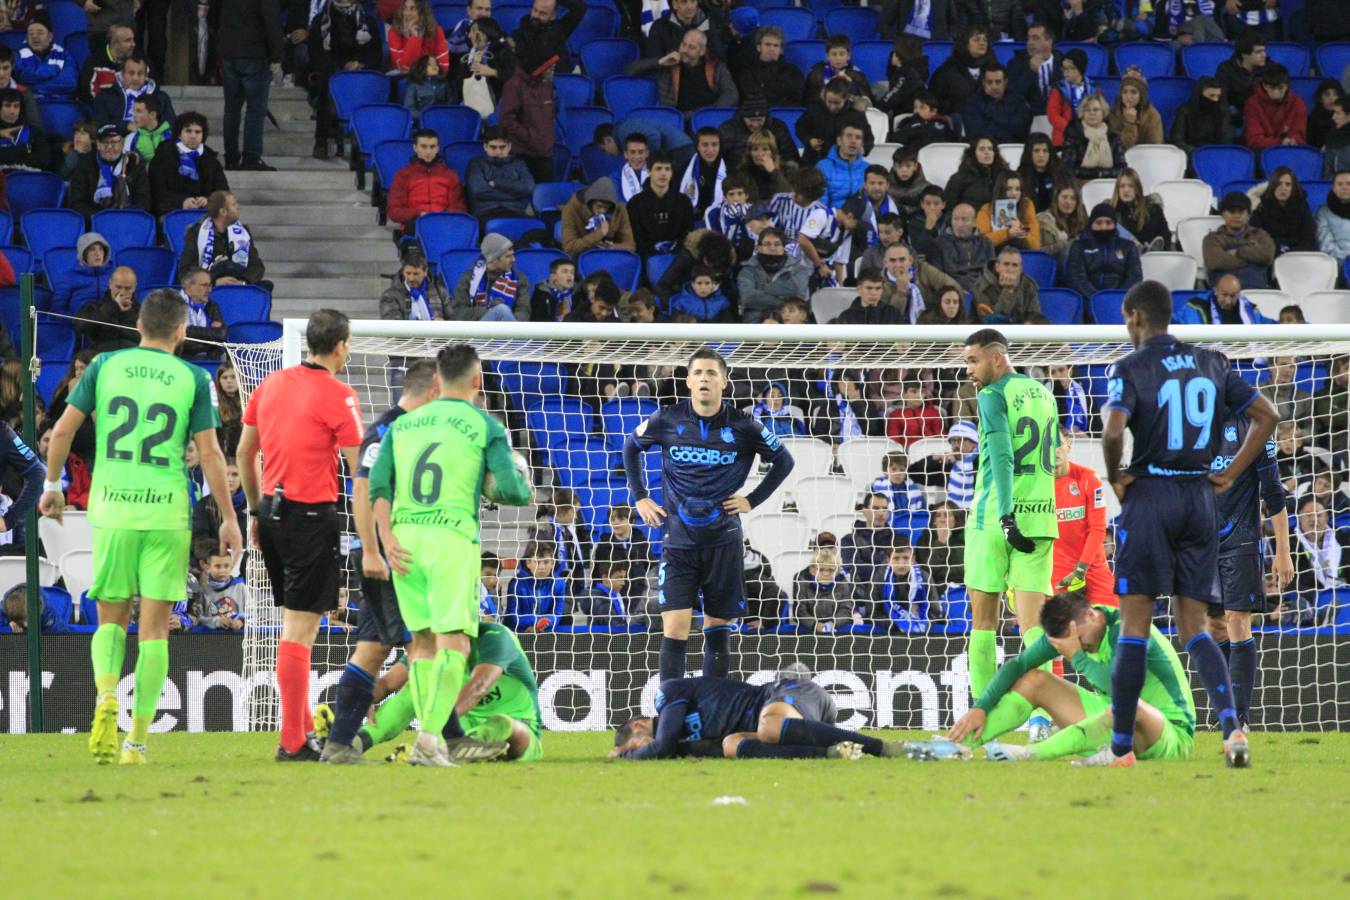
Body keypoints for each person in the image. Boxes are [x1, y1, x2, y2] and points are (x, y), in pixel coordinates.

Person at [40, 289, 240, 765]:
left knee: (110, 619)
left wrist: (52, 485)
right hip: (166, 512)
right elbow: (210, 453)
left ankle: (107, 694)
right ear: (181, 331)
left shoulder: (105, 365)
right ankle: (136, 742)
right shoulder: (194, 377)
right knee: (154, 632)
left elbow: (63, 429)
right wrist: (229, 516)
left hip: (114, 509)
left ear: (138, 326)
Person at [1101, 280, 1281, 767]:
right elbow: (1267, 416)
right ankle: (1232, 729)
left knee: (1134, 625)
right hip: (1201, 499)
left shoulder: (1131, 366)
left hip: (1152, 494)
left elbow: (1114, 429)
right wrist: (1231, 472)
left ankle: (1121, 749)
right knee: (1195, 625)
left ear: (1135, 316)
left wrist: (1116, 475)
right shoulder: (1212, 362)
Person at [366, 343, 532, 765]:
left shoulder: (403, 424)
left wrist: (385, 537)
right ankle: (430, 740)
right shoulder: (486, 425)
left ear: (436, 380)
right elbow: (512, 490)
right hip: (450, 539)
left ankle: (429, 739)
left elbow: (378, 484)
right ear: (478, 380)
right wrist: (505, 486)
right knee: (454, 644)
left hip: (403, 541)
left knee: (421, 644)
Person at [236, 310, 365, 761]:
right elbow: (360, 469)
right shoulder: (339, 394)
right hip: (310, 517)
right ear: (341, 346)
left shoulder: (271, 384)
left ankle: (302, 729)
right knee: (300, 630)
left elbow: (244, 452)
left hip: (272, 515)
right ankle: (292, 742)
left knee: (295, 624)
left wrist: (256, 509)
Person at [623, 346, 795, 684]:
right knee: (675, 626)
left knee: (717, 627)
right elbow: (631, 446)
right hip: (678, 543)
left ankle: (712, 703)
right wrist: (640, 497)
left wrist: (752, 500)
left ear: (724, 382)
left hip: (723, 542)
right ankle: (670, 705)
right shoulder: (667, 419)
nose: (704, 378)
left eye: (712, 373)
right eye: (698, 373)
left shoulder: (744, 425)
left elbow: (784, 460)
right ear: (688, 381)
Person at [318, 360, 454, 763]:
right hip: (389, 555)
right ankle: (444, 741)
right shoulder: (387, 430)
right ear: (433, 390)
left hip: (390, 552)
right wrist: (373, 550)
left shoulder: (406, 429)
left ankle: (338, 744)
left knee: (373, 648)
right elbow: (362, 489)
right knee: (422, 645)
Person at [938, 592, 1196, 764]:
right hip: (1112, 723)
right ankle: (956, 746)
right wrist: (981, 707)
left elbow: (1120, 688)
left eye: (1079, 637)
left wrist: (1076, 656)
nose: (1078, 644)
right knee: (1035, 680)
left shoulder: (1130, 630)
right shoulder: (1068, 632)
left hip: (1168, 735)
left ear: (1092, 614)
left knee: (1128, 706)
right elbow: (1017, 665)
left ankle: (1030, 753)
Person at [960, 328, 1060, 720]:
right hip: (1041, 518)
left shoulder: (991, 395)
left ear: (996, 358)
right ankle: (1041, 718)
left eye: (973, 361)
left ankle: (981, 719)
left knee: (984, 621)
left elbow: (1002, 456)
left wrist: (1005, 516)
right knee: (1034, 626)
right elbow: (1055, 458)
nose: (969, 370)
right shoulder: (1045, 394)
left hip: (994, 519)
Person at [1204, 401, 1294, 729]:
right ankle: (1227, 709)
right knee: (1213, 626)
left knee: (1237, 620)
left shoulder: (1254, 425)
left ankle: (1237, 717)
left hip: (1239, 541)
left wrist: (1282, 551)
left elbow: (1273, 493)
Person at [357, 618, 545, 762]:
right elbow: (388, 683)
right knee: (416, 685)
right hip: (461, 726)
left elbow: (479, 686)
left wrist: (436, 727)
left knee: (503, 724)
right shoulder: (435, 645)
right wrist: (357, 703)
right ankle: (358, 740)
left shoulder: (496, 637)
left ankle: (449, 748)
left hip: (520, 723)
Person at [611, 674, 903, 760]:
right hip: (796, 727)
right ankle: (833, 752)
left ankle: (880, 747)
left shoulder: (668, 693)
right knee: (731, 745)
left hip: (787, 693)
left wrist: (624, 757)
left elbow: (661, 746)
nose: (644, 750)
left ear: (638, 725)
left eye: (638, 745)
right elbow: (667, 748)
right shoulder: (684, 745)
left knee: (768, 727)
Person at [307, 0, 383, 160]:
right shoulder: (320, 20)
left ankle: (369, 141)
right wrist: (342, 65)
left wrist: (361, 64)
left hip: (361, 72)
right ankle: (321, 140)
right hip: (333, 71)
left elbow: (376, 53)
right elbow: (316, 53)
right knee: (326, 85)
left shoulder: (368, 21)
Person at [217, 0, 283, 171]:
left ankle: (231, 158)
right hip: (255, 53)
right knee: (255, 109)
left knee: (231, 110)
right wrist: (277, 55)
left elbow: (215, 14)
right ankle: (251, 158)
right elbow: (271, 20)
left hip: (229, 52)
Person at [1051, 438, 1114, 605]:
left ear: (1068, 445)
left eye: (1058, 443)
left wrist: (1081, 568)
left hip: (1092, 567)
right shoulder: (1036, 485)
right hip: (1057, 573)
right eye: (1047, 444)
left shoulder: (1089, 478)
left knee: (1114, 616)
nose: (1054, 449)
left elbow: (1098, 529)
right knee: (1062, 621)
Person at [626, 28, 738, 113]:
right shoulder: (669, 65)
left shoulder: (716, 66)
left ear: (702, 51)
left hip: (705, 119)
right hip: (677, 119)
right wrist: (660, 62)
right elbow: (631, 70)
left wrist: (709, 113)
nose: (685, 50)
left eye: (691, 47)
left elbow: (732, 94)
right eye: (683, 44)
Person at [386, 129, 468, 241]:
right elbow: (394, 211)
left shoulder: (450, 175)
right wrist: (419, 213)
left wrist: (441, 216)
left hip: (444, 222)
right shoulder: (403, 175)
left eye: (432, 147)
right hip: (416, 222)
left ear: (438, 148)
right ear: (415, 148)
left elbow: (459, 209)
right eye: (423, 147)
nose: (428, 151)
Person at [177, 190, 266, 287]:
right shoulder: (196, 233)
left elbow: (256, 266)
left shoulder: (243, 232)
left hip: (239, 285)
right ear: (223, 212)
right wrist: (213, 282)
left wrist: (243, 282)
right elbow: (186, 270)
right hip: (208, 288)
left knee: (266, 285)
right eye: (234, 204)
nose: (238, 207)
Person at [148, 112, 230, 216]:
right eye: (188, 131)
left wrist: (208, 201)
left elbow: (223, 191)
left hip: (206, 214)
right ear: (179, 134)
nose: (193, 136)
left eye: (197, 132)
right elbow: (157, 192)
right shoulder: (163, 157)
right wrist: (182, 202)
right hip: (171, 214)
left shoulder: (211, 159)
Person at [496, 52, 558, 183]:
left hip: (544, 153)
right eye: (549, 66)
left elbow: (550, 116)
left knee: (546, 193)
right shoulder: (514, 85)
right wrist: (529, 137)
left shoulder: (548, 85)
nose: (553, 69)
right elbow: (506, 119)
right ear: (539, 67)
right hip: (522, 154)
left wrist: (547, 139)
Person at [1065, 203, 1143, 302]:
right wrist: (1098, 298)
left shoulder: (1128, 247)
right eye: (1098, 222)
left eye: (1108, 223)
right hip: (1089, 301)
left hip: (1121, 301)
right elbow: (1076, 278)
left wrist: (1119, 297)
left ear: (1115, 224)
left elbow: (1135, 276)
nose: (1103, 227)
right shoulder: (1079, 246)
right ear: (1091, 223)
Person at [1202, 191, 1276, 289]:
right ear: (1223, 214)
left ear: (1248, 214)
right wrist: (1253, 259)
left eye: (1241, 211)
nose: (1237, 215)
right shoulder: (1212, 239)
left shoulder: (1261, 235)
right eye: (1232, 211)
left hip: (1256, 290)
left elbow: (1267, 257)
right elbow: (1215, 262)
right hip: (1224, 293)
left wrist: (1236, 252)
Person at [628, 152, 695, 258]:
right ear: (649, 171)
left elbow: (688, 234)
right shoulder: (634, 204)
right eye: (658, 169)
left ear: (672, 173)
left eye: (667, 169)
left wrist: (675, 247)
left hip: (679, 257)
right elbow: (636, 239)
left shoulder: (684, 202)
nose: (663, 173)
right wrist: (654, 249)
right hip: (646, 257)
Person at [90, 52, 175, 135]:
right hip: (118, 140)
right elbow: (101, 128)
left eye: (140, 73)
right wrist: (126, 127)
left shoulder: (161, 98)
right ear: (122, 74)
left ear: (146, 75)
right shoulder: (105, 97)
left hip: (152, 140)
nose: (135, 78)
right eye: (131, 73)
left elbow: (170, 125)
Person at [450, 233, 531, 321]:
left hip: (508, 326)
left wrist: (504, 318)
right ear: (493, 259)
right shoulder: (469, 278)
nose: (513, 260)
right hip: (477, 327)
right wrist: (491, 312)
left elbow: (524, 312)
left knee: (502, 311)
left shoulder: (519, 279)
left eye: (513, 255)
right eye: (508, 256)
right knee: (501, 310)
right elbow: (459, 312)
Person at [736, 227, 809, 323]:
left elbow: (798, 295)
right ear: (758, 247)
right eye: (767, 244)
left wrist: (760, 289)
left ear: (784, 247)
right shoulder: (747, 269)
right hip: (755, 324)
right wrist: (782, 302)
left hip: (788, 324)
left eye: (777, 244)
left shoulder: (798, 269)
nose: (772, 248)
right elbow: (748, 298)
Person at [464, 125, 535, 224]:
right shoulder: (476, 164)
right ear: (485, 147)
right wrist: (514, 196)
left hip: (515, 212)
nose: (498, 151)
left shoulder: (519, 163)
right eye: (493, 147)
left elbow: (528, 187)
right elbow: (478, 191)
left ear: (509, 146)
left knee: (538, 228)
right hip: (486, 212)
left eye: (502, 147)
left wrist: (498, 183)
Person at [733, 27, 804, 110]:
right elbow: (751, 96)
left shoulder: (793, 71)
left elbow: (798, 96)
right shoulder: (747, 71)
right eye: (767, 44)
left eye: (776, 45)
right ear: (759, 47)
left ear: (781, 50)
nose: (772, 49)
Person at [962, 63, 1032, 146]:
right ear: (983, 83)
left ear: (1005, 82)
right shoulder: (972, 103)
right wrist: (1006, 126)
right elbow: (974, 133)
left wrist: (991, 118)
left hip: (1012, 148)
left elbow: (1022, 129)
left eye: (998, 82)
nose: (994, 87)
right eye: (989, 82)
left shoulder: (1018, 101)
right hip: (984, 149)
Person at [1251, 167, 1319, 254]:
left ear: (1293, 188)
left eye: (1288, 184)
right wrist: (1279, 249)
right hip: (1269, 255)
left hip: (1297, 255)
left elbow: (1309, 239)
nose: (1283, 188)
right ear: (1272, 186)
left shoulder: (1302, 206)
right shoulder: (1261, 207)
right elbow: (1256, 238)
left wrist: (1289, 251)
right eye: (1279, 184)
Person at [931, 202, 995, 293]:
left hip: (981, 290)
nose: (959, 224)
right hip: (951, 291)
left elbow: (991, 272)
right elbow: (937, 276)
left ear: (974, 222)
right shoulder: (939, 244)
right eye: (956, 219)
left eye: (964, 220)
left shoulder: (985, 243)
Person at [929, 24, 994, 114]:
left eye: (984, 40)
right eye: (976, 39)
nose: (982, 43)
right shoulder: (947, 71)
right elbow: (933, 100)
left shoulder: (993, 68)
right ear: (965, 44)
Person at [75, 266, 140, 353]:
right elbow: (80, 326)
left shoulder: (142, 311)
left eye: (128, 288)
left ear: (134, 287)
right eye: (118, 287)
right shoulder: (94, 307)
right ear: (110, 284)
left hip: (132, 357)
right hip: (101, 356)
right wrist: (113, 306)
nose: (122, 292)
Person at [187, 539, 248, 631]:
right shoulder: (202, 591)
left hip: (238, 637)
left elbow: (252, 612)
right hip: (212, 637)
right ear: (207, 567)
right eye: (217, 566)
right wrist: (217, 622)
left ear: (232, 566)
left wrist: (241, 621)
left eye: (226, 566)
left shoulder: (240, 586)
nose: (222, 570)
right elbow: (198, 618)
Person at [511, 0, 586, 75]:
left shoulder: (560, 29)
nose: (536, 16)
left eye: (543, 13)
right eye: (535, 10)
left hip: (563, 77)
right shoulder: (520, 35)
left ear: (553, 16)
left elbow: (580, 8)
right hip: (536, 80)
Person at [1244, 65, 1307, 152]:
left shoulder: (1297, 103)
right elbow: (1254, 140)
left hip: (1290, 151)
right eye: (1272, 88)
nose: (1276, 94)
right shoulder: (1252, 104)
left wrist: (1292, 141)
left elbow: (1298, 135)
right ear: (1265, 85)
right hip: (1261, 152)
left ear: (1287, 86)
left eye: (1280, 88)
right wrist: (1280, 142)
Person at [1062, 95, 1124, 181]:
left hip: (1108, 185)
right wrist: (1097, 173)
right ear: (1083, 113)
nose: (1092, 113)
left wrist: (1099, 173)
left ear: (1103, 112)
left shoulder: (1113, 138)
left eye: (1096, 109)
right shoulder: (1074, 135)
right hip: (1080, 184)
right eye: (1087, 110)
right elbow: (1067, 168)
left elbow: (1122, 169)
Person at [973, 246, 1041, 324]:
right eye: (1006, 264)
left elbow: (1035, 318)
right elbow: (991, 322)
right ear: (997, 267)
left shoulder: (1029, 285)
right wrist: (1008, 291)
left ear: (1020, 269)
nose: (1010, 270)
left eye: (1015, 265)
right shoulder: (981, 286)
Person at [1045, 49, 1098, 147]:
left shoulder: (1093, 89)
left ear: (1080, 69)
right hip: (1063, 138)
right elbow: (1053, 115)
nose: (1066, 72)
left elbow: (1099, 112)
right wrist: (1070, 129)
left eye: (1071, 68)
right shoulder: (1058, 89)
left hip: (1088, 138)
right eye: (1064, 68)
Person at [975, 170, 1041, 251]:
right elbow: (982, 243)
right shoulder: (987, 209)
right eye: (1009, 189)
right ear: (1001, 190)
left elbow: (1035, 246)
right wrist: (1007, 233)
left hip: (1021, 255)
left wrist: (1020, 228)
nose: (1014, 193)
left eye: (1017, 189)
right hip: (996, 255)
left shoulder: (1026, 206)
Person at [15, 10, 75, 98]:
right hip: (29, 102)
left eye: (40, 33)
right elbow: (22, 77)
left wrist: (33, 88)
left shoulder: (64, 55)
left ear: (50, 37)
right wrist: (53, 69)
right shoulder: (18, 55)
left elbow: (69, 82)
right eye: (31, 33)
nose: (34, 36)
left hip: (59, 102)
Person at [52, 232, 113, 314]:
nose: (98, 254)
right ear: (83, 254)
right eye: (92, 249)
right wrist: (75, 320)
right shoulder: (68, 278)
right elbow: (57, 310)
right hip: (79, 320)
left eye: (101, 249)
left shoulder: (113, 276)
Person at [380, 249, 451, 320]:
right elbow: (392, 323)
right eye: (408, 273)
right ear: (403, 272)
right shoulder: (390, 296)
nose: (411, 278)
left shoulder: (440, 291)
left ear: (425, 272)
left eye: (416, 274)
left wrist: (443, 323)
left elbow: (453, 317)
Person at [1170, 76, 1234, 155]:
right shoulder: (1185, 111)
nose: (1215, 100)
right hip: (1191, 153)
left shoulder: (1222, 111)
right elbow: (1177, 140)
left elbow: (1226, 139)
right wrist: (1197, 153)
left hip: (1216, 154)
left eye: (1218, 96)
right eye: (1211, 96)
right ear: (1200, 94)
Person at [1215, 30, 1266, 125]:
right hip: (1235, 118)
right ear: (1244, 54)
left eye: (1264, 51)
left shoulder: (1269, 67)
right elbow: (1222, 99)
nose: (1264, 55)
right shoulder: (1226, 69)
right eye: (1258, 52)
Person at [944, 136, 1008, 212]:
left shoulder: (1004, 176)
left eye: (990, 149)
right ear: (973, 154)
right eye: (982, 149)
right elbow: (948, 208)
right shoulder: (959, 178)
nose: (987, 152)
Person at [1111, 168, 1169, 251]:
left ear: (1137, 189)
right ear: (1117, 189)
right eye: (1122, 186)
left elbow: (1165, 237)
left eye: (1130, 186)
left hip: (1151, 256)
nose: (1126, 190)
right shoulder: (1110, 211)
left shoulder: (1153, 210)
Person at [176, 266, 226, 359]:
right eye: (205, 285)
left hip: (209, 359)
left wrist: (188, 330)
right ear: (188, 286)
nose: (209, 290)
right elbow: (177, 339)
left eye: (210, 285)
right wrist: (209, 338)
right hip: (182, 359)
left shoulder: (212, 306)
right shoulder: (173, 304)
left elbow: (221, 334)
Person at [1183, 273, 1270, 326]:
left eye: (1233, 296)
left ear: (1239, 294)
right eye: (1224, 295)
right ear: (1216, 291)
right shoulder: (1196, 307)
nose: (1228, 301)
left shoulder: (1249, 309)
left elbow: (1263, 323)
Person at [1017, 133, 1074, 213]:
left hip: (1058, 215)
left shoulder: (1062, 173)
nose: (1041, 155)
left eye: (1045, 151)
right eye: (1036, 151)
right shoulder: (1021, 175)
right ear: (1029, 153)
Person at [387, 0, 449, 73]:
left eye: (413, 9)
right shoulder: (394, 32)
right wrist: (415, 37)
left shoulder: (437, 31)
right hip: (401, 78)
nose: (407, 13)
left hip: (430, 78)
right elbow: (405, 66)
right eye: (405, 8)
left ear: (422, 12)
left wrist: (417, 71)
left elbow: (444, 66)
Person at [1108, 71, 1163, 151]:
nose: (1128, 96)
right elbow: (1121, 147)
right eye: (1124, 92)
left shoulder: (1152, 115)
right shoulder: (1114, 113)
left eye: (1133, 92)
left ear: (1141, 95)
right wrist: (1130, 124)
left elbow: (1155, 147)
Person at [679, 127, 728, 216]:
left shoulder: (728, 168)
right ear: (698, 147)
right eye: (705, 145)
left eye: (714, 145)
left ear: (720, 146)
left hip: (721, 215)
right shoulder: (685, 168)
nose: (710, 150)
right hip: (692, 215)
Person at [0, 87, 48, 171]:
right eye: (7, 106)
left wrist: (6, 155)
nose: (12, 111)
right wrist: (24, 149)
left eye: (16, 106)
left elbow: (43, 160)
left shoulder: (34, 132)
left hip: (28, 177)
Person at [1037, 181, 1086, 260]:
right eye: (1064, 197)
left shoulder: (1081, 221)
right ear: (1056, 199)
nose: (1068, 202)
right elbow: (1037, 251)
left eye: (1073, 198)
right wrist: (1064, 245)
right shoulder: (1043, 220)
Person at [1316, 171, 1350, 263]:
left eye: (1349, 184)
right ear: (1333, 188)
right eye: (1340, 184)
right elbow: (1326, 245)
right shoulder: (1323, 212)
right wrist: (1347, 261)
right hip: (1338, 263)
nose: (1345, 187)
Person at [1324, 96, 1350, 178]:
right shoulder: (1332, 137)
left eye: (1338, 113)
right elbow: (1327, 173)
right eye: (1333, 113)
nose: (1333, 117)